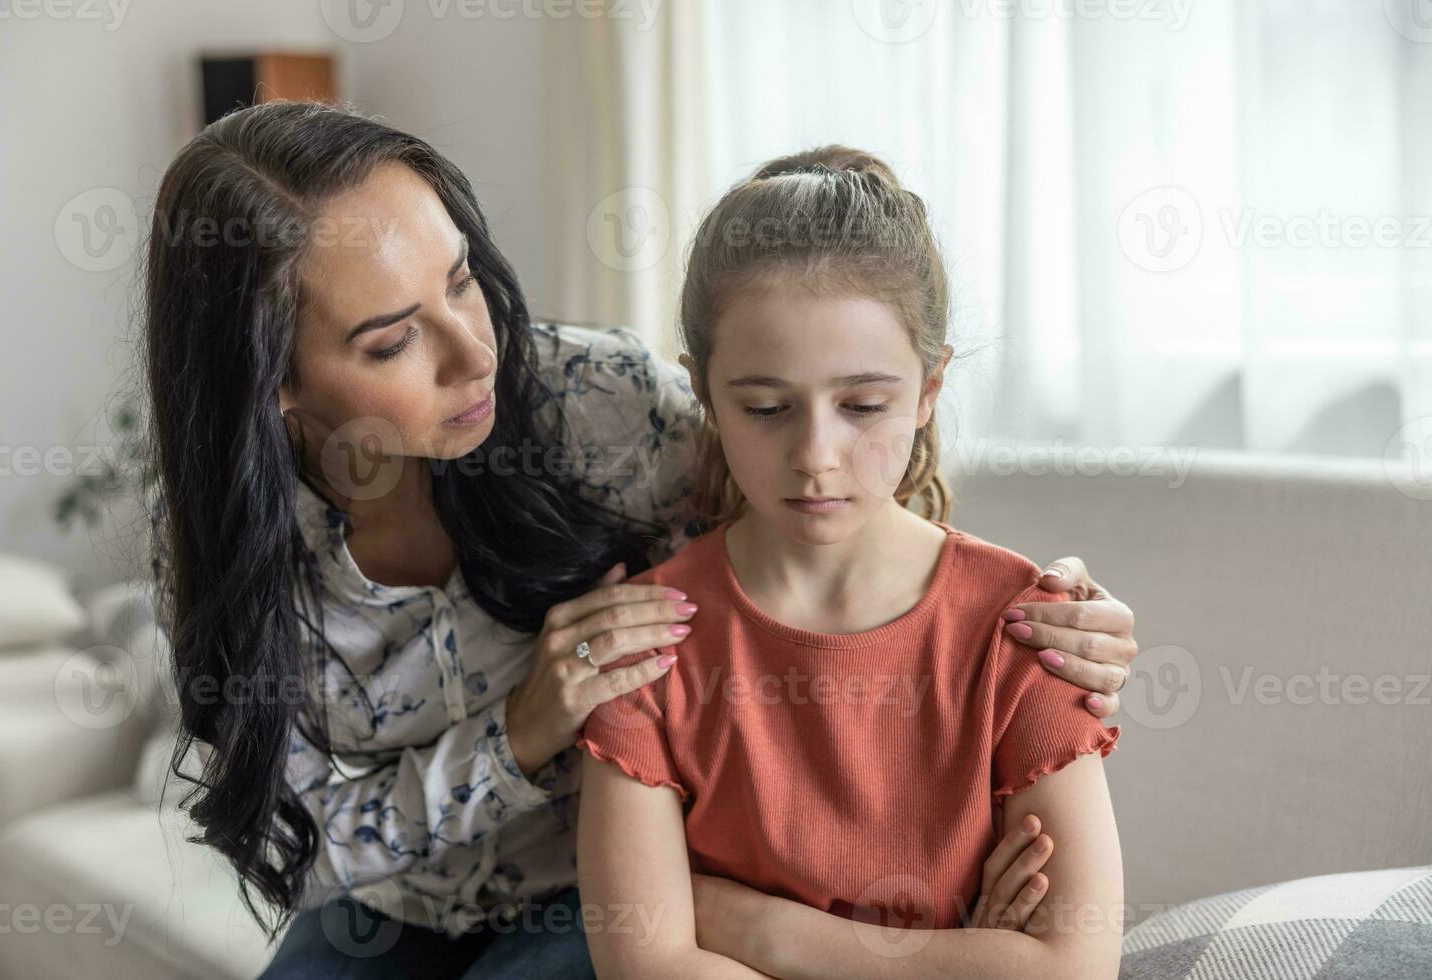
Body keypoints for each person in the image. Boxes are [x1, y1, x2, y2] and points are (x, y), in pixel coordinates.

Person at [141, 102, 1138, 978]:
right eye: (393, 339)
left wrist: (1056, 623)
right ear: (274, 380)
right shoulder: (250, 549)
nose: (475, 349)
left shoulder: (603, 404)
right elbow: (300, 845)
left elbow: (821, 509)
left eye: (462, 279)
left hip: (608, 881)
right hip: (397, 900)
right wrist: (521, 733)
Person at [576, 147, 1124, 977]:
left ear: (930, 389)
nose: (815, 455)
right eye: (765, 407)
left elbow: (1071, 969)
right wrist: (955, 958)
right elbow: (646, 968)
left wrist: (753, 930)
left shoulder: (1024, 627)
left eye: (864, 406)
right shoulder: (650, 644)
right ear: (704, 393)